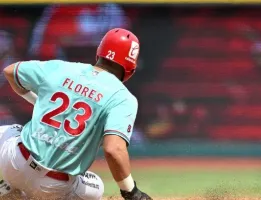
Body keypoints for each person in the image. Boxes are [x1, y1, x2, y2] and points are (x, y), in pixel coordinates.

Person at [0, 28, 152, 200]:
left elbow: (10, 71)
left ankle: (10, 189)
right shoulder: (123, 98)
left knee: (10, 130)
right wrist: (131, 192)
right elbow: (113, 149)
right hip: (53, 186)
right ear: (131, 67)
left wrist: (36, 101)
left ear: (99, 52)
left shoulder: (62, 67)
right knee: (97, 187)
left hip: (13, 163)